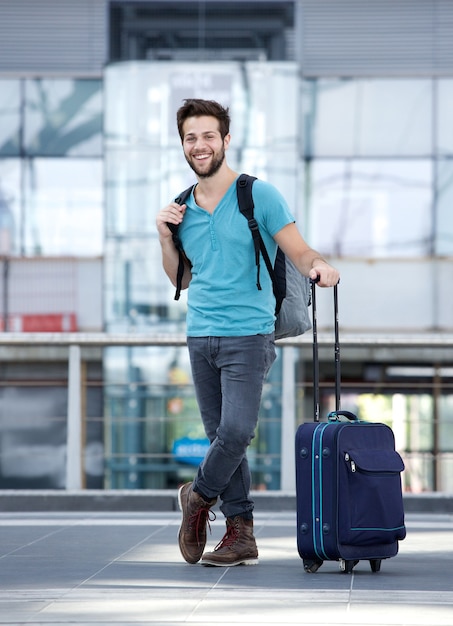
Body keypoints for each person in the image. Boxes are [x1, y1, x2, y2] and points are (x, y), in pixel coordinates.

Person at [156, 98, 340, 567]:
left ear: (225, 140)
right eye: (190, 138)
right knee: (221, 435)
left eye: (208, 136)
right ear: (183, 144)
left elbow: (298, 251)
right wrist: (163, 237)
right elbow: (180, 279)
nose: (199, 145)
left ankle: (196, 498)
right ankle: (241, 535)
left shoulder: (258, 195)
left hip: (248, 334)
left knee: (236, 432)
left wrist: (319, 266)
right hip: (200, 335)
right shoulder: (181, 207)